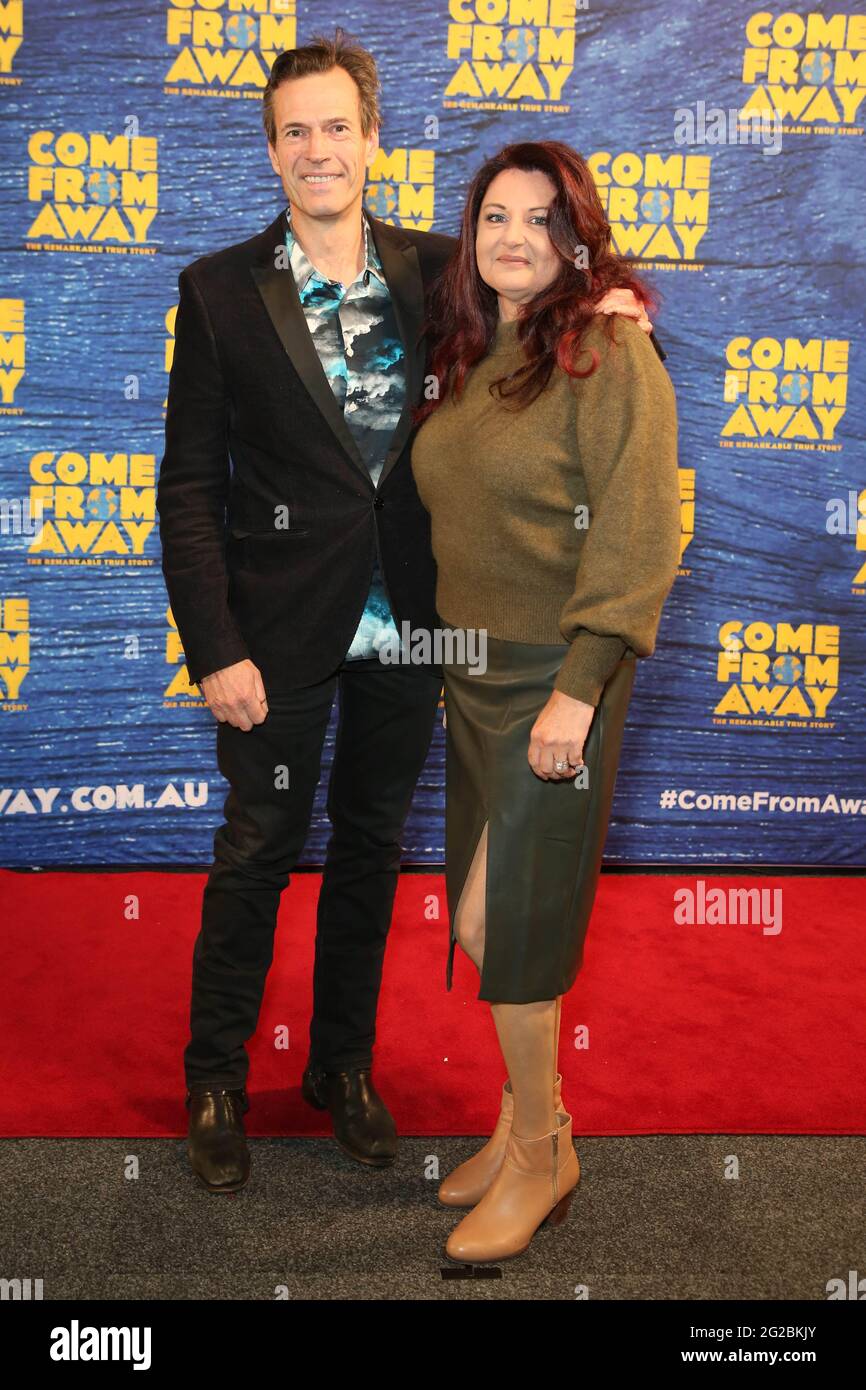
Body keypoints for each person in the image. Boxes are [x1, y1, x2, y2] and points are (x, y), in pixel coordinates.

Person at [156, 30, 657, 1195]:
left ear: (375, 141)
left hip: (416, 631)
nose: (318, 150)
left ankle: (341, 1064)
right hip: (273, 638)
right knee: (256, 848)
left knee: (373, 848)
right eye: (295, 132)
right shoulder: (219, 291)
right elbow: (188, 488)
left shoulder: (444, 270)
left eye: (339, 127)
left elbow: (548, 311)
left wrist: (613, 302)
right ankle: (217, 1075)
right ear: (271, 151)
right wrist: (213, 645)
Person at [410, 140, 681, 1263]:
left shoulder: (606, 352)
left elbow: (633, 530)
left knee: (496, 926)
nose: (513, 238)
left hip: (554, 687)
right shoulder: (473, 351)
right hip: (470, 682)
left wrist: (579, 688)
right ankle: (520, 1121)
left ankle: (544, 1148)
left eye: (540, 220)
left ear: (577, 238)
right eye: (492, 218)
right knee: (491, 926)